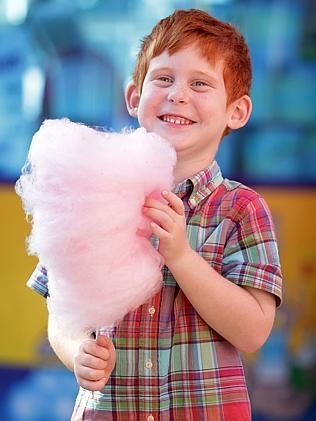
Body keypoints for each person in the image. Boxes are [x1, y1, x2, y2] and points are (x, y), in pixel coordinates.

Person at [27, 8, 282, 420]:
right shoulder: (91, 189)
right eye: (163, 78)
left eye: (200, 83)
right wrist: (78, 353)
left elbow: (252, 331)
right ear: (134, 97)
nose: (178, 94)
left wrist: (180, 256)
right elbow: (63, 314)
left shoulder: (241, 210)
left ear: (236, 111)